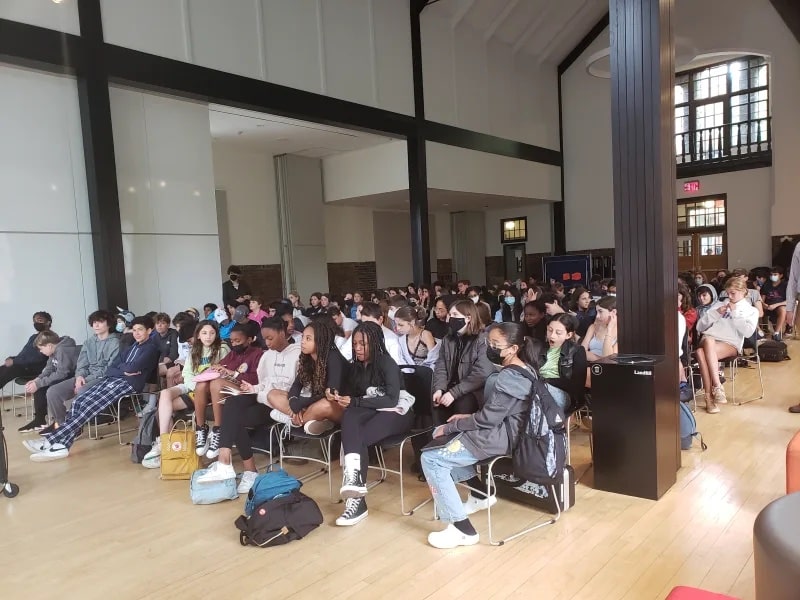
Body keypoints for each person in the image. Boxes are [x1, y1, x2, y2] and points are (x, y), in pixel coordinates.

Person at [421, 321, 539, 549]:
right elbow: (494, 413)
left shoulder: (509, 377)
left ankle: (461, 529)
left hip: (500, 437)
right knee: (443, 445)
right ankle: (480, 494)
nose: (489, 347)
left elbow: (489, 419)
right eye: (488, 342)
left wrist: (453, 426)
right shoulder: (526, 368)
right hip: (503, 431)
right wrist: (465, 418)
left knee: (432, 458)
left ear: (513, 348)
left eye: (495, 344)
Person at [25, 316, 160, 462]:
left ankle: (52, 440)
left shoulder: (151, 348)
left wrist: (123, 369)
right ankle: (62, 445)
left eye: (140, 330)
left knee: (90, 405)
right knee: (79, 402)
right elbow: (111, 368)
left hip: (128, 384)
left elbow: (132, 367)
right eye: (134, 330)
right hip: (113, 379)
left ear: (149, 330)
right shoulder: (132, 346)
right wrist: (124, 370)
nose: (136, 333)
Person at [196, 317, 301, 492]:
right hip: (263, 397)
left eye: (270, 338)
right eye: (264, 339)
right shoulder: (267, 356)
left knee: (232, 415)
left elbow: (299, 387)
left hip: (281, 404)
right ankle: (226, 463)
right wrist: (251, 387)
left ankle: (248, 470)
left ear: (283, 333)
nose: (267, 343)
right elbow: (263, 383)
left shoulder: (297, 353)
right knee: (231, 404)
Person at [333, 322, 415, 526]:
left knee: (356, 437)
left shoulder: (387, 363)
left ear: (376, 343)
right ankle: (354, 486)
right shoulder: (356, 367)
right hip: (370, 410)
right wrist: (336, 394)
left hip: (396, 413)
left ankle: (356, 499)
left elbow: (390, 400)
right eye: (356, 343)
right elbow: (352, 396)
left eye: (363, 344)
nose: (358, 348)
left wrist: (356, 401)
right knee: (350, 416)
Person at [142, 320, 229, 469]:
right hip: (192, 385)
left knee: (164, 409)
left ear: (217, 334)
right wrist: (193, 385)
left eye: (212, 333)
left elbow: (220, 374)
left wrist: (198, 387)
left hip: (208, 390)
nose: (208, 336)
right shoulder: (195, 349)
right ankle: (164, 441)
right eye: (204, 333)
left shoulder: (222, 349)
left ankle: (166, 444)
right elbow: (187, 374)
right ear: (198, 336)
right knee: (164, 395)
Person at [191, 324, 262, 459]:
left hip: (248, 390)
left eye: (238, 341)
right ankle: (201, 429)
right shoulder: (233, 353)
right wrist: (216, 369)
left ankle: (218, 430)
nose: (234, 344)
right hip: (229, 389)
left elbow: (256, 379)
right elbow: (221, 365)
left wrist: (232, 374)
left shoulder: (258, 354)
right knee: (201, 385)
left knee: (217, 384)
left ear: (249, 339)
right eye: (232, 341)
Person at [43, 310, 120, 432]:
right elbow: (81, 364)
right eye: (94, 322)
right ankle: (64, 426)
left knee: (83, 391)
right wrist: (79, 377)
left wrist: (85, 380)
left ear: (109, 324)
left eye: (100, 322)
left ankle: (74, 426)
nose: (96, 325)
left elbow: (109, 369)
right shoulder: (88, 342)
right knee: (52, 392)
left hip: (103, 379)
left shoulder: (115, 342)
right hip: (83, 378)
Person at [268, 319, 349, 435]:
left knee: (324, 404)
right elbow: (296, 386)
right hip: (313, 403)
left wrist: (301, 404)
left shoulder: (334, 358)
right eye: (303, 337)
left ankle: (292, 421)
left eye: (308, 339)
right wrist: (294, 401)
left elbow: (331, 395)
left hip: (341, 408)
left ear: (320, 341)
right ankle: (314, 420)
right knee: (273, 394)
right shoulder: (308, 358)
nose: (303, 342)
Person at [695, 277, 759, 413]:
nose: (729, 296)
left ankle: (709, 398)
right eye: (727, 293)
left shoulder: (751, 310)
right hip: (710, 339)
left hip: (730, 344)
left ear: (743, 292)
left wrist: (735, 313)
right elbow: (700, 327)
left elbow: (748, 333)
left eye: (733, 293)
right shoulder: (719, 304)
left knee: (701, 352)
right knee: (707, 340)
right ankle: (717, 386)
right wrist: (715, 313)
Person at [432, 300, 495, 424]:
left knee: (462, 404)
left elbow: (481, 373)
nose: (450, 318)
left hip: (472, 391)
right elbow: (441, 366)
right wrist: (439, 388)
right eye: (450, 314)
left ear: (468, 318)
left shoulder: (482, 340)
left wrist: (454, 393)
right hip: (451, 387)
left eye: (455, 315)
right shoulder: (448, 339)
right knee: (437, 403)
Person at [17, 330, 79, 433]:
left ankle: (60, 423)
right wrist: (37, 380)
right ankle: (42, 420)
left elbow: (62, 373)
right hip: (64, 376)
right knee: (40, 386)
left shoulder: (63, 350)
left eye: (41, 349)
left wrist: (39, 384)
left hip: (73, 377)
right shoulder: (53, 351)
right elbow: (49, 369)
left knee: (46, 389)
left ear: (49, 345)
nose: (41, 351)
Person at [532, 314, 587, 412]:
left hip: (565, 395)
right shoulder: (539, 348)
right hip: (537, 389)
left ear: (568, 335)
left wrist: (546, 380)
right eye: (550, 330)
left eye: (558, 333)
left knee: (536, 391)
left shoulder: (576, 351)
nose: (552, 335)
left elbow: (577, 385)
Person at [0, 311, 52, 391]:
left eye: (40, 320)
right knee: (2, 368)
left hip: (34, 369)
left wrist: (14, 361)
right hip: (23, 366)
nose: (36, 322)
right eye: (35, 321)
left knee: (9, 370)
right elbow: (24, 355)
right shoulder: (33, 337)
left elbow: (38, 358)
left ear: (48, 322)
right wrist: (12, 358)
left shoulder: (50, 337)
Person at [582, 296, 618, 361]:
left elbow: (608, 358)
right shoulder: (593, 327)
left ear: (613, 312)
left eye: (600, 311)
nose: (597, 316)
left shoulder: (621, 333)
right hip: (590, 366)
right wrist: (601, 360)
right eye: (597, 312)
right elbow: (581, 352)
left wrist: (609, 330)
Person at [761, 266, 788, 341]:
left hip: (779, 305)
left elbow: (789, 300)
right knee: (757, 309)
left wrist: (776, 305)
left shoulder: (785, 285)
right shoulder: (766, 285)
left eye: (775, 274)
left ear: (781, 275)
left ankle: (776, 333)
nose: (773, 276)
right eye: (771, 274)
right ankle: (760, 332)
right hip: (767, 306)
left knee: (783, 310)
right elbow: (762, 299)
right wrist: (764, 305)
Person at [154, 312, 179, 379]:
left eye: (163, 323)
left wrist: (161, 362)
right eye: (157, 323)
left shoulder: (174, 334)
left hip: (173, 362)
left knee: (156, 371)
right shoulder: (154, 336)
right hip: (159, 363)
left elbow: (174, 354)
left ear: (168, 325)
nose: (159, 326)